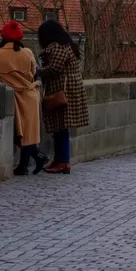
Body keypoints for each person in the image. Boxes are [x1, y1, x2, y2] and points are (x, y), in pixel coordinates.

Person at [0, 21, 46, 175]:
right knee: (29, 132)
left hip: (13, 96)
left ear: (3, 37)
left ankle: (29, 163)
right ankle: (28, 163)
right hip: (30, 95)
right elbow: (34, 71)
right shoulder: (27, 52)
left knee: (19, 132)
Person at [37, 20, 89, 174]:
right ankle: (59, 159)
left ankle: (64, 161)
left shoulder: (59, 47)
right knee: (59, 127)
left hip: (64, 92)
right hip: (67, 90)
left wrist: (38, 71)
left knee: (61, 127)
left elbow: (55, 68)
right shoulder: (66, 45)